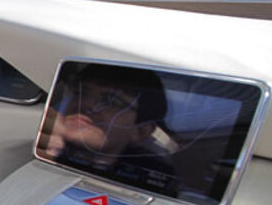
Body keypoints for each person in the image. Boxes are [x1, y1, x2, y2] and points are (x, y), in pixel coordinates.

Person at [42, 64, 176, 191]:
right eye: (80, 92)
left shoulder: (152, 186)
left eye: (111, 101)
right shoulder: (35, 138)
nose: (86, 104)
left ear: (140, 132)